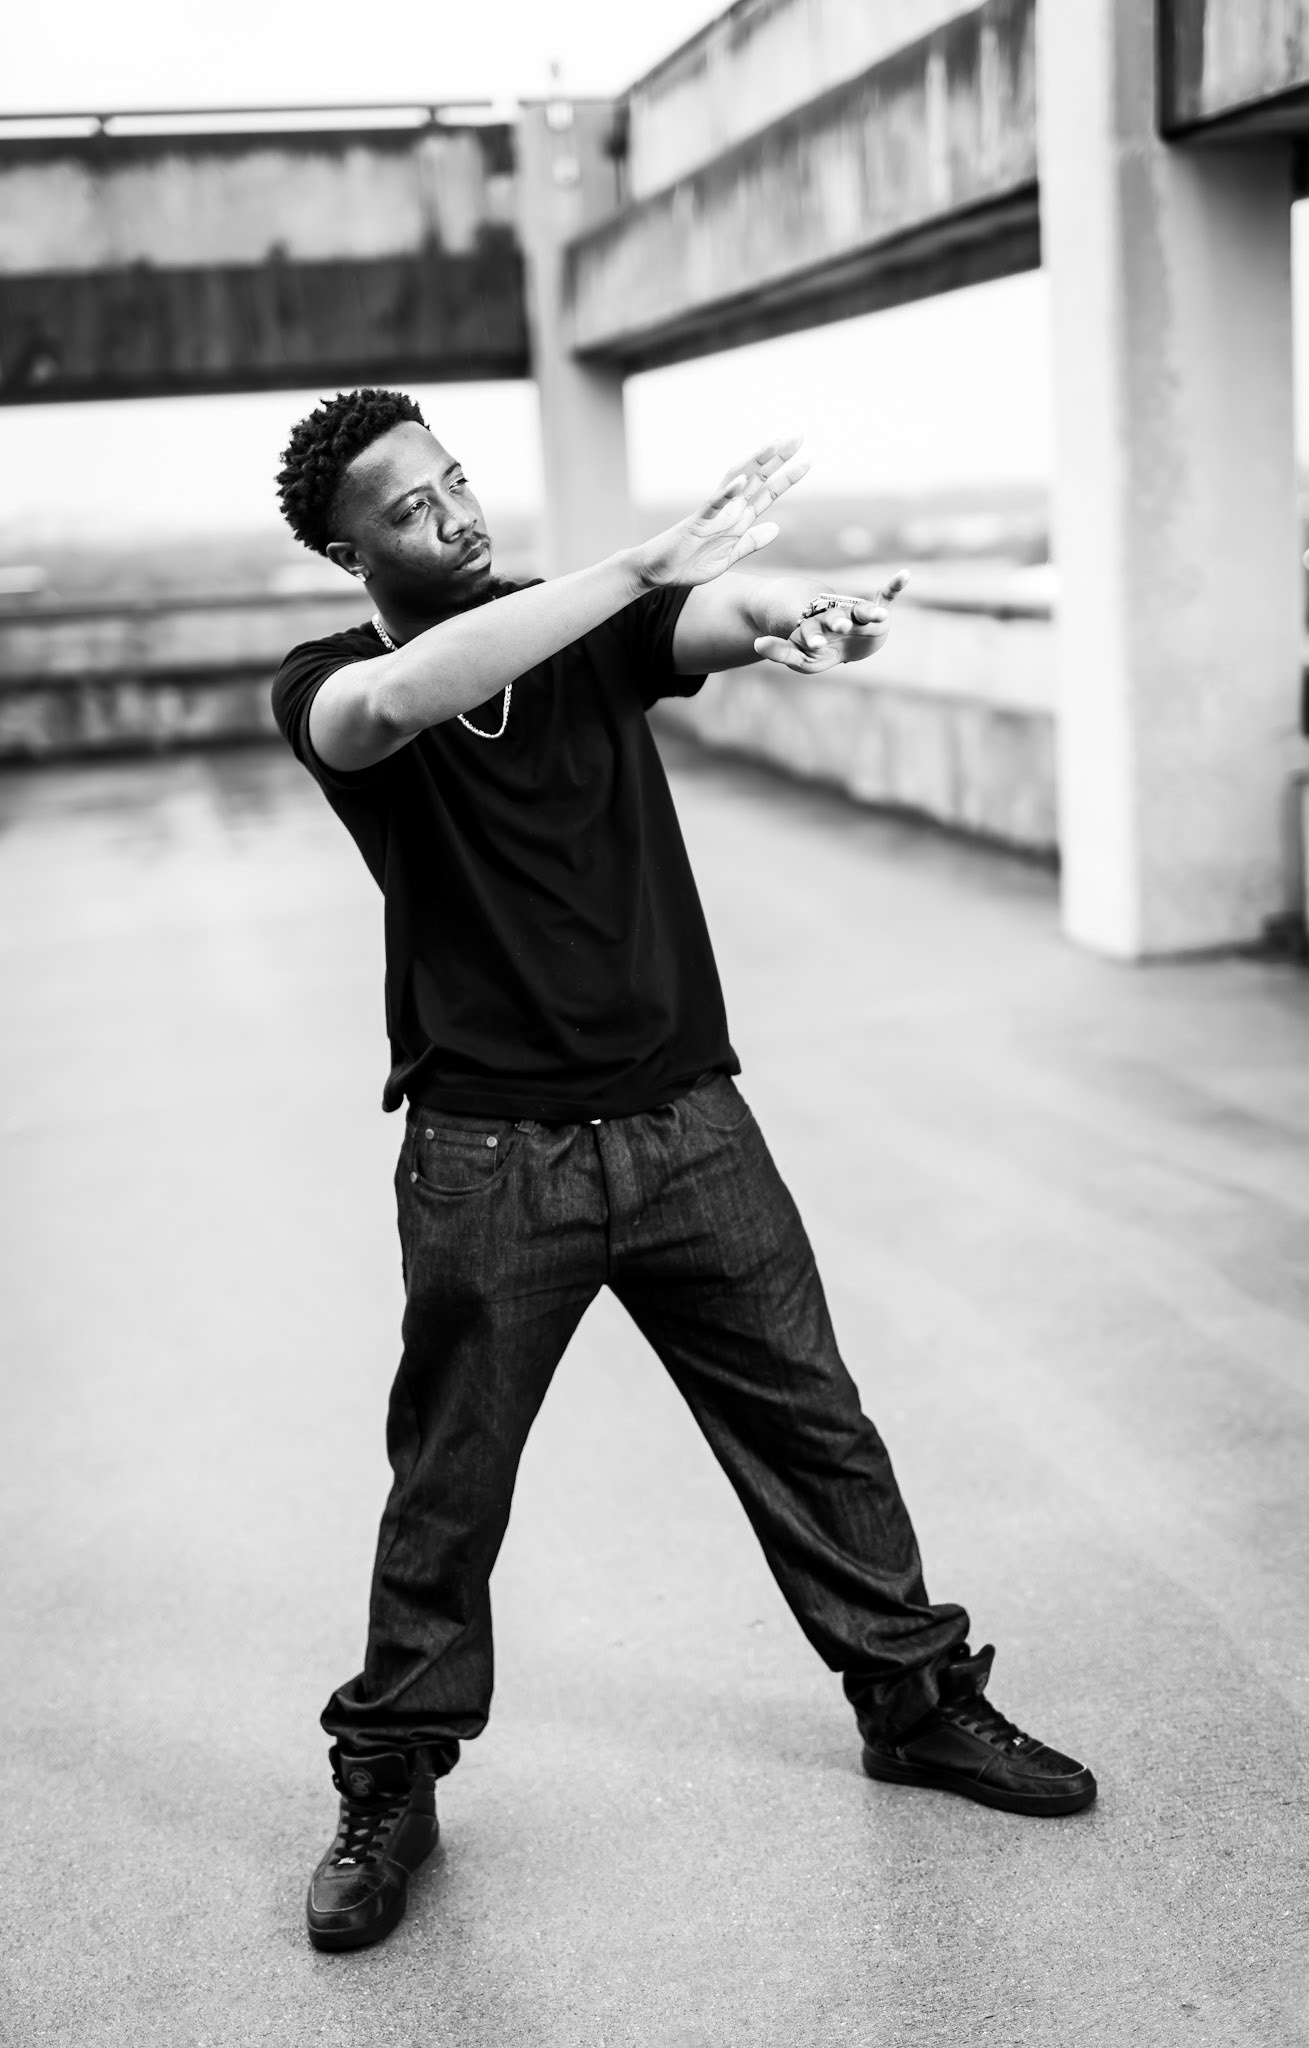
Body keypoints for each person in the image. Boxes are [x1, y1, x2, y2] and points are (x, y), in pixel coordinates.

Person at [271, 387, 1096, 1955]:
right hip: (489, 1156)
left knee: (813, 1425)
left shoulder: (588, 631)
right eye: (409, 507)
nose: (455, 512)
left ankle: (914, 1702)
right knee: (450, 1481)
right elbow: (407, 696)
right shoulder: (327, 681)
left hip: (685, 1123)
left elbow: (721, 617)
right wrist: (642, 563)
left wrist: (804, 614)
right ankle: (388, 1780)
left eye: (456, 479)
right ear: (343, 550)